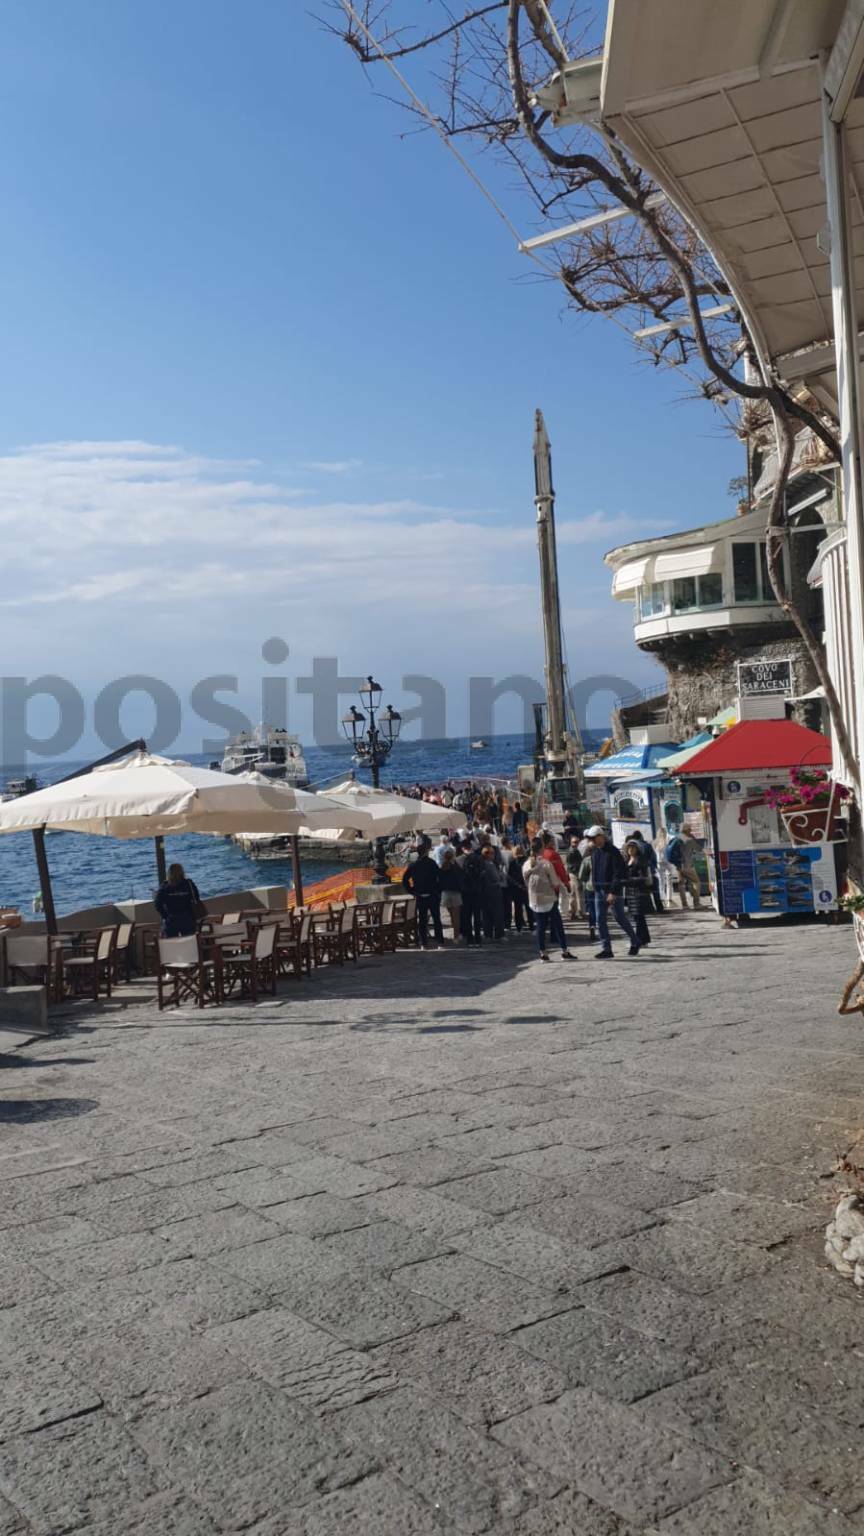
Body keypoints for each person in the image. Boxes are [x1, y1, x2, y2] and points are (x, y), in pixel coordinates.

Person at [585, 826, 641, 959]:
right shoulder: (595, 852)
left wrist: (613, 892)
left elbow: (618, 873)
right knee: (600, 919)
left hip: (612, 891)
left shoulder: (613, 852)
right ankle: (607, 949)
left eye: (594, 838)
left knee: (619, 917)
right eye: (591, 839)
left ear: (601, 836)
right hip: (599, 890)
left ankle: (635, 940)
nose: (593, 841)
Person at [523, 836, 575, 962]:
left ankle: (543, 953)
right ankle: (564, 951)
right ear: (541, 848)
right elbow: (555, 882)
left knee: (540, 927)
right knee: (558, 925)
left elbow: (525, 881)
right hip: (549, 898)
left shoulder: (526, 864)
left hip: (534, 899)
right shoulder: (546, 864)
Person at [402, 838, 444, 948]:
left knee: (422, 920)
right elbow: (440, 878)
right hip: (432, 894)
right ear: (426, 852)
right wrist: (438, 890)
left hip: (420, 894)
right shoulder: (432, 863)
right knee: (436, 919)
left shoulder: (413, 865)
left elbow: (405, 880)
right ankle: (439, 941)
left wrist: (412, 890)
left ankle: (423, 943)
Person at [155, 862, 203, 937]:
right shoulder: (188, 884)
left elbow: (157, 904)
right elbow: (196, 897)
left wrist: (165, 916)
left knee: (171, 943)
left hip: (171, 918)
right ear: (182, 872)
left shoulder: (164, 887)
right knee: (189, 941)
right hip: (187, 917)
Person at [623, 838, 653, 948]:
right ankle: (644, 939)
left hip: (639, 892)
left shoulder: (640, 860)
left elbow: (642, 877)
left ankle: (640, 940)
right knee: (637, 917)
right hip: (630, 892)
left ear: (637, 849)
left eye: (633, 847)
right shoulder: (627, 860)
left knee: (639, 917)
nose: (630, 849)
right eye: (629, 847)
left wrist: (629, 880)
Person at [458, 839, 486, 947]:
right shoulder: (479, 858)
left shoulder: (458, 860)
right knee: (477, 916)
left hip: (465, 892)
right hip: (477, 891)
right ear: (471, 846)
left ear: (462, 848)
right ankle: (478, 938)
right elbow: (483, 874)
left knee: (467, 916)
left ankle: (470, 939)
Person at [666, 829, 702, 908]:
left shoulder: (677, 838)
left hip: (678, 865)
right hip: (687, 865)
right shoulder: (689, 840)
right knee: (696, 882)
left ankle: (684, 904)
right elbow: (698, 849)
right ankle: (696, 903)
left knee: (681, 884)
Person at [438, 849, 464, 941]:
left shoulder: (442, 867)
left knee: (452, 916)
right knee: (456, 916)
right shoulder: (455, 867)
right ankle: (456, 936)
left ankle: (455, 933)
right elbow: (461, 878)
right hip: (455, 893)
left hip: (445, 893)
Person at [507, 844, 533, 931]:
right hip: (527, 887)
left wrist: (517, 885)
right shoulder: (528, 861)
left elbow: (509, 876)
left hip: (516, 888)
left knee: (518, 909)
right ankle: (532, 927)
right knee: (529, 908)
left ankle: (519, 929)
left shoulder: (512, 862)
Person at [565, 834, 587, 920]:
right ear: (571, 842)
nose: (576, 843)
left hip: (572, 874)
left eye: (577, 842)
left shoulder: (573, 850)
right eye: (574, 842)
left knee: (573, 894)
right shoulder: (573, 851)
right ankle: (579, 912)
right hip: (575, 874)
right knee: (578, 894)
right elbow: (573, 865)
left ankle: (572, 912)